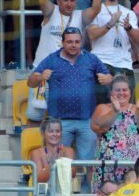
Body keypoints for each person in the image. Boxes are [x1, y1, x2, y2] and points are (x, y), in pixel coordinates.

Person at [27, 0, 102, 124]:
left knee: (59, 119)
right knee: (35, 116)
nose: (69, 3)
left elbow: (96, 9)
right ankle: (36, 146)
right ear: (58, 1)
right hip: (43, 72)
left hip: (65, 76)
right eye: (65, 0)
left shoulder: (79, 16)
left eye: (72, 0)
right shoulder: (51, 12)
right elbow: (42, 0)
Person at [28, 28, 112, 161]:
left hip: (87, 120)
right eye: (70, 42)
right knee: (59, 163)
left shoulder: (91, 59)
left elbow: (109, 77)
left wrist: (107, 79)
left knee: (89, 163)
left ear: (81, 42)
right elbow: (30, 83)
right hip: (60, 123)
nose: (73, 45)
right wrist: (40, 77)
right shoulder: (52, 59)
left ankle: (86, 183)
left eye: (77, 42)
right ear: (62, 42)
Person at [87, 0, 139, 103]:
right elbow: (91, 34)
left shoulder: (129, 13)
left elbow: (138, 39)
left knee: (125, 109)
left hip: (124, 65)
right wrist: (110, 24)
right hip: (101, 62)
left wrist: (128, 28)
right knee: (102, 107)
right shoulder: (96, 11)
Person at [91, 75, 139, 193]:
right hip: (109, 167)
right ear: (111, 92)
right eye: (117, 90)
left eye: (124, 90)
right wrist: (114, 111)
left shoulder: (137, 108)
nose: (121, 93)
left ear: (130, 92)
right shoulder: (103, 108)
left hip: (134, 166)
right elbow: (98, 127)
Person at [29, 117, 76, 184]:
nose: (55, 134)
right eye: (51, 131)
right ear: (43, 133)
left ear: (61, 133)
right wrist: (55, 163)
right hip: (44, 193)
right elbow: (39, 179)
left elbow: (73, 174)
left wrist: (62, 160)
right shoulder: (36, 153)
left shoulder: (69, 151)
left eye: (57, 131)